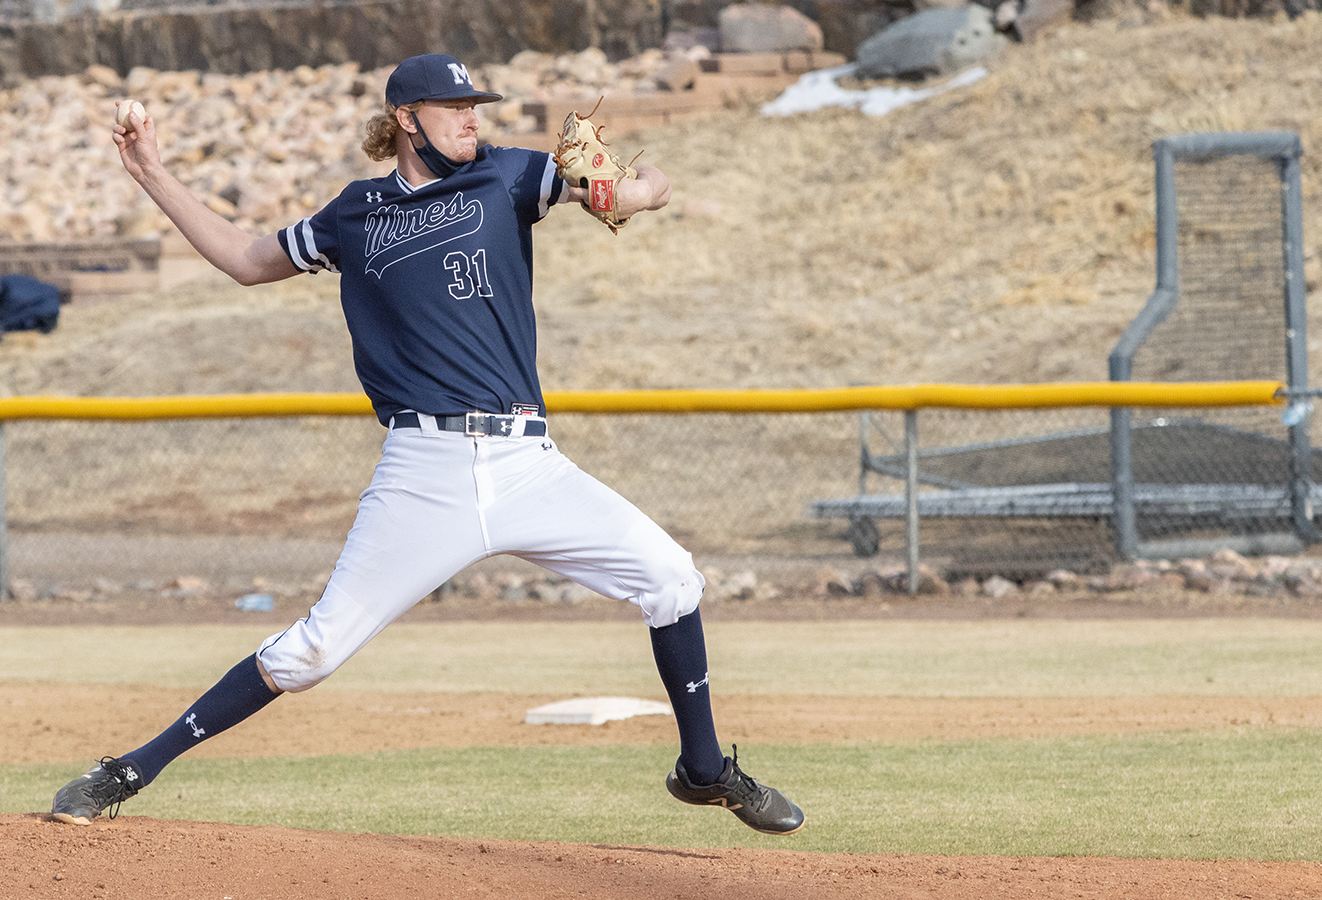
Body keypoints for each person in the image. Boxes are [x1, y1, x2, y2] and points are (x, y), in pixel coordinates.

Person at [50, 53, 804, 836]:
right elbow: (246, 259)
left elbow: (643, 188)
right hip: (425, 470)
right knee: (312, 652)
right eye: (454, 106)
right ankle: (130, 769)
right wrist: (151, 173)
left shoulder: (510, 176)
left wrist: (637, 192)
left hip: (526, 463)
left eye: (476, 104)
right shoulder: (355, 213)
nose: (472, 117)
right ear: (407, 118)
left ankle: (705, 769)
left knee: (673, 579)